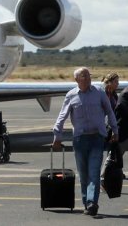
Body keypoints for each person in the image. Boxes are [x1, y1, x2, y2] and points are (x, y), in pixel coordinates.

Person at [52, 67, 118, 216]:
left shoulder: (99, 92)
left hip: (97, 138)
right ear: (77, 79)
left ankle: (92, 203)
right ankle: (86, 202)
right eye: (84, 76)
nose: (88, 79)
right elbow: (61, 117)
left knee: (94, 172)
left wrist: (115, 130)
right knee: (83, 174)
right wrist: (57, 137)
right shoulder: (71, 96)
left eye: (89, 76)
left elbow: (109, 111)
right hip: (80, 140)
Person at [114, 87, 128, 178]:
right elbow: (123, 109)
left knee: (117, 155)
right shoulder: (125, 94)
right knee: (116, 156)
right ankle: (104, 177)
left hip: (124, 130)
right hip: (123, 130)